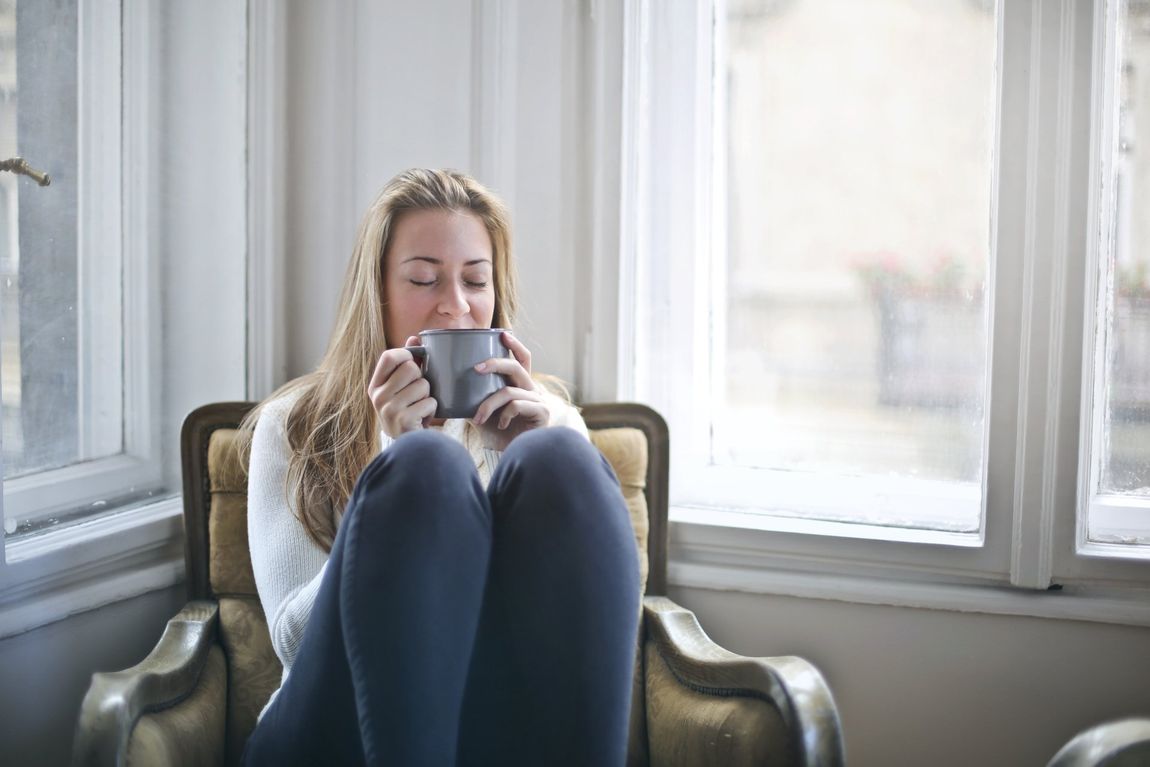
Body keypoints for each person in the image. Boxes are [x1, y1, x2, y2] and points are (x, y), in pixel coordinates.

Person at [237, 168, 641, 766]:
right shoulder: (294, 423)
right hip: (329, 727)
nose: (456, 307)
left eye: (476, 281)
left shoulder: (549, 420)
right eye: (424, 279)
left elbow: (596, 637)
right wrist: (391, 458)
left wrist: (516, 460)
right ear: (376, 291)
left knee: (557, 456)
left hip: (494, 725)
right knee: (425, 466)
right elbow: (295, 645)